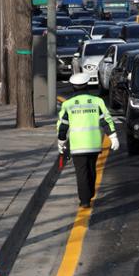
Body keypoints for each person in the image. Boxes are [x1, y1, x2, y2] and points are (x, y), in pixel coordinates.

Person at [56, 73, 119, 208]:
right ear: (86, 85)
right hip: (94, 144)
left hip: (77, 145)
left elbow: (63, 125)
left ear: (73, 87)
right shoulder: (97, 102)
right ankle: (89, 193)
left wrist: (61, 142)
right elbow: (106, 120)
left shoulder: (68, 104)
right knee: (91, 169)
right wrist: (112, 136)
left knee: (81, 172)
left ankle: (85, 200)